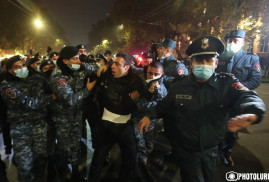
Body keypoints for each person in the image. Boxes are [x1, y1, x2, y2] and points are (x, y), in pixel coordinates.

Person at [138, 35, 265, 182]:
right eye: (199, 60)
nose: (203, 64)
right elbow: (165, 105)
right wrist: (149, 115)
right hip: (187, 150)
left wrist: (253, 111)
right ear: (191, 63)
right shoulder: (179, 85)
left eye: (208, 60)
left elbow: (248, 96)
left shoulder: (226, 83)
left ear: (216, 63)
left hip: (212, 151)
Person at [88, 53, 145, 182]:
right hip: (106, 126)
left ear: (127, 67)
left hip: (125, 127)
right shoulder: (105, 75)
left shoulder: (136, 80)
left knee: (130, 158)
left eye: (117, 64)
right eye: (112, 63)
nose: (112, 66)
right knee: (98, 159)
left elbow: (146, 73)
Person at [0, 55, 55, 182]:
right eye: (17, 67)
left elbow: (52, 86)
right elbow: (30, 103)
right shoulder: (7, 86)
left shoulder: (36, 78)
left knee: (40, 161)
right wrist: (50, 98)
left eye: (23, 65)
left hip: (40, 126)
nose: (21, 68)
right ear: (10, 71)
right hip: (21, 128)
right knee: (25, 166)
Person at [49, 46, 97, 181]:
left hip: (77, 115)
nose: (79, 61)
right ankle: (62, 175)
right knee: (63, 149)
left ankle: (76, 174)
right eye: (75, 58)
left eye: (79, 58)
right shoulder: (58, 77)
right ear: (65, 61)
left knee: (75, 145)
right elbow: (70, 99)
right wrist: (87, 90)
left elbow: (95, 69)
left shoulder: (75, 68)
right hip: (63, 118)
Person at [216, 30, 262, 166]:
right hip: (218, 99)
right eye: (229, 41)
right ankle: (214, 150)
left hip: (236, 101)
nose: (232, 43)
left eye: (236, 40)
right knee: (216, 125)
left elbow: (255, 80)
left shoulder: (251, 58)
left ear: (242, 42)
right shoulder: (220, 57)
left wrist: (236, 88)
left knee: (232, 130)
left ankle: (225, 152)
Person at [132, 61, 167, 182]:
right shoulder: (139, 84)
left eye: (155, 74)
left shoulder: (162, 86)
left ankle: (145, 165)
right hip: (137, 121)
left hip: (152, 124)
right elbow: (139, 104)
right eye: (149, 73)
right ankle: (142, 174)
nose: (151, 76)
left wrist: (156, 91)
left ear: (161, 74)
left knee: (149, 146)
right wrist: (148, 92)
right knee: (140, 148)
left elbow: (163, 103)